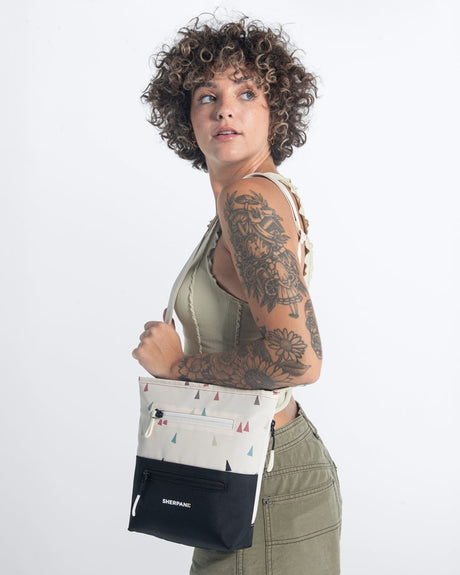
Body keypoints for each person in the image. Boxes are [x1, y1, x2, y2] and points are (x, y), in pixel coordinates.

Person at [132, 16, 342, 575]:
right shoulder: (243, 200)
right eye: (208, 96)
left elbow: (298, 360)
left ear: (276, 112)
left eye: (247, 93)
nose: (225, 109)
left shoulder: (250, 200)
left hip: (264, 476)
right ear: (186, 117)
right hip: (244, 463)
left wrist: (178, 366)